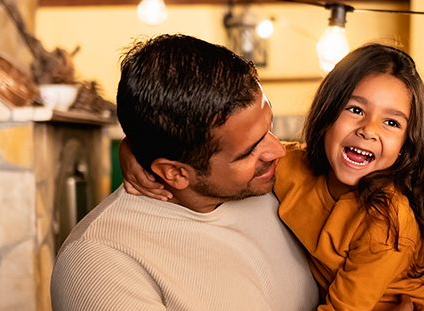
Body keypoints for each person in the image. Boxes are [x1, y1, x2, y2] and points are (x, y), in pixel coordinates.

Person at [125, 44, 424, 311]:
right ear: (327, 113)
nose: (368, 130)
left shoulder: (388, 218)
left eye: (392, 122)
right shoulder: (292, 166)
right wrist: (133, 150)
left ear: (406, 144)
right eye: (355, 109)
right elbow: (196, 144)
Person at [50, 34, 319, 311]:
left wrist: (135, 146)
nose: (278, 150)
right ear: (175, 173)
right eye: (248, 151)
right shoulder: (100, 264)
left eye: (269, 127)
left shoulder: (280, 183)